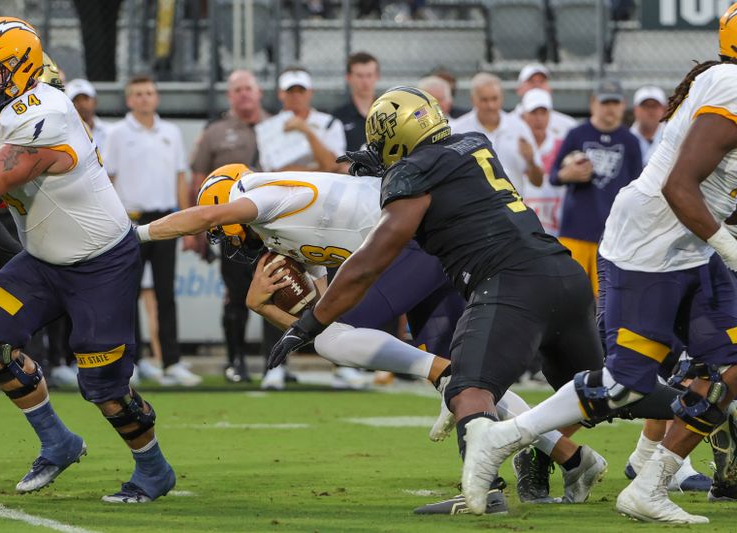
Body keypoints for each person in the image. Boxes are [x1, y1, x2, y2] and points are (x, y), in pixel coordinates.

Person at [269, 87, 682, 513]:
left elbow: (370, 261)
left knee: (466, 389)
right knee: (605, 390)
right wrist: (388, 174)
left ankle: (483, 495)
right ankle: (707, 404)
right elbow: (443, 188)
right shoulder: (474, 144)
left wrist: (309, 323)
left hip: (509, 282)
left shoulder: (413, 172)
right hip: (561, 272)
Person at [137, 162, 606, 512]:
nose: (226, 237)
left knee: (420, 363)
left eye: (223, 226)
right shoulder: (281, 231)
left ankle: (443, 381)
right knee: (471, 381)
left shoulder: (262, 194)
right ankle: (571, 458)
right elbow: (321, 311)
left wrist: (134, 235)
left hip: (421, 239)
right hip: (434, 248)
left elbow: (329, 329)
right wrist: (265, 307)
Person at [461, 5, 737, 523]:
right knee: (625, 383)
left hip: (689, 244)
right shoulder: (730, 83)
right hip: (651, 244)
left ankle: (649, 484)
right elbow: (681, 187)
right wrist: (732, 249)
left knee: (731, 368)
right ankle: (502, 439)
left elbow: (721, 191)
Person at [0, 16, 175, 502]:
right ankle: (57, 441)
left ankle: (153, 468)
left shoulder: (47, 114)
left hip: (100, 262)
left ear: (24, 69)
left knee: (105, 388)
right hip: (45, 258)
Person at [104, 74, 201, 387]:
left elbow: (180, 179)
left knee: (165, 293)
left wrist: (187, 224)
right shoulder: (117, 133)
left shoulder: (170, 132)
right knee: (126, 295)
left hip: (165, 220)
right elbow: (108, 180)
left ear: (156, 97)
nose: (145, 98)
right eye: (138, 94)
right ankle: (131, 362)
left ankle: (171, 362)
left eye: (149, 92)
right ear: (129, 99)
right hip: (129, 222)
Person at [189, 69, 279, 385]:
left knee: (279, 290)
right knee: (236, 293)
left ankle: (276, 365)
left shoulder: (278, 127)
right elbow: (199, 181)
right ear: (230, 95)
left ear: (259, 93)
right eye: (237, 89)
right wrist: (196, 229)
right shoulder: (215, 131)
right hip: (234, 228)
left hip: (275, 224)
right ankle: (236, 360)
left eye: (248, 88)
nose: (243, 94)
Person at [549, 79, 643, 296]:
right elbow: (554, 175)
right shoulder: (577, 134)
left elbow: (637, 187)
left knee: (608, 302)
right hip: (576, 231)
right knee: (571, 299)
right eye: (605, 102)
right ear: (593, 103)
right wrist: (568, 174)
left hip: (614, 235)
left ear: (622, 105)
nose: (610, 108)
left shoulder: (630, 141)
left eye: (614, 103)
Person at [452, 72, 543, 193]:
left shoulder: (519, 128)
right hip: (473, 208)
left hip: (513, 207)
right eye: (484, 100)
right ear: (472, 100)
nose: (490, 105)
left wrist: (531, 161)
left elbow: (538, 182)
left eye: (494, 99)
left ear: (502, 98)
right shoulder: (458, 130)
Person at [259, 67, 346, 173]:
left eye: (301, 90)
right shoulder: (268, 128)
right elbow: (272, 171)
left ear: (310, 92)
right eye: (290, 90)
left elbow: (333, 166)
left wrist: (307, 131)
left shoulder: (330, 123)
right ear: (280, 94)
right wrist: (319, 168)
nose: (296, 95)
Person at [519, 88, 566, 236]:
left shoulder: (563, 146)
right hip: (523, 230)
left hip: (555, 230)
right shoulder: (513, 145)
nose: (539, 118)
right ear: (523, 115)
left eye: (543, 112)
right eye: (533, 112)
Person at [513, 63, 578, 139]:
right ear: (519, 89)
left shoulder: (568, 125)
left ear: (550, 89)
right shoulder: (506, 123)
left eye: (542, 81)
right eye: (531, 81)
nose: (537, 85)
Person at [333, 52, 380, 152]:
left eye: (369, 75)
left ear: (377, 76)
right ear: (348, 78)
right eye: (359, 76)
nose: (365, 81)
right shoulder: (338, 117)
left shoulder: (390, 113)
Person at [65, 78, 110, 152]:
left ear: (95, 101)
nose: (82, 104)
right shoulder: (64, 137)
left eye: (86, 99)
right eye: (76, 100)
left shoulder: (110, 131)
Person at [631, 85, 667, 167]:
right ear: (635, 110)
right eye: (645, 106)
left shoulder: (675, 136)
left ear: (664, 109)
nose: (650, 110)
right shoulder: (625, 139)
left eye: (655, 106)